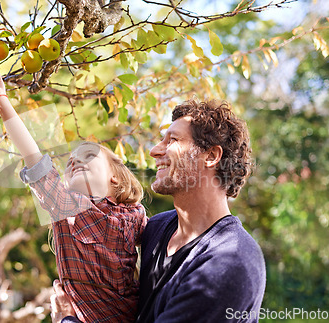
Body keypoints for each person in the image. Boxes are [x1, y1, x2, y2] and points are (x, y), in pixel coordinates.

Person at [51, 98, 266, 322]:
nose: (154, 151)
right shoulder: (155, 229)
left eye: (172, 140)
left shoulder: (229, 263)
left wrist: (67, 320)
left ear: (211, 156)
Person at [0, 62, 148, 323]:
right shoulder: (67, 207)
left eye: (87, 154)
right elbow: (33, 157)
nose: (73, 161)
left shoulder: (136, 215)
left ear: (115, 177)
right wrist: (2, 99)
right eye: (69, 161)